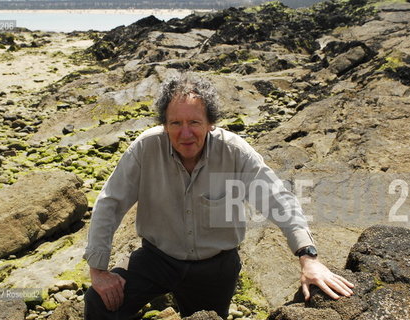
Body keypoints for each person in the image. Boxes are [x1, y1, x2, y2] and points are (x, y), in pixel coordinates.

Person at [83, 73, 354, 319]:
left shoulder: (236, 153)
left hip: (216, 268)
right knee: (99, 301)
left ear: (211, 123)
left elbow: (277, 199)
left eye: (194, 122)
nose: (185, 133)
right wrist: (98, 270)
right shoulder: (145, 148)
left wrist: (309, 258)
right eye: (175, 122)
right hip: (157, 259)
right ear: (164, 124)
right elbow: (110, 203)